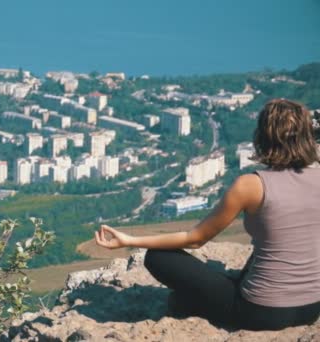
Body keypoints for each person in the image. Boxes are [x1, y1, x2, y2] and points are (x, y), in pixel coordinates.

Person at [94, 99, 320, 331]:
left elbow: (195, 239)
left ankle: (190, 304)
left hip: (260, 312)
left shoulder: (251, 185)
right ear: (307, 136)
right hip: (312, 307)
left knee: (157, 257)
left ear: (262, 136)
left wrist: (129, 241)